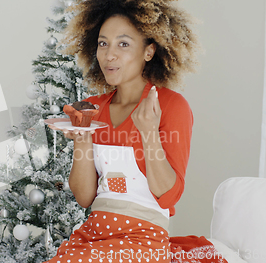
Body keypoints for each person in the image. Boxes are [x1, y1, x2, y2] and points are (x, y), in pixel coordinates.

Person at [45, 0, 200, 262]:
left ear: (148, 52)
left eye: (123, 44)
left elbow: (169, 196)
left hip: (144, 238)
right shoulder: (92, 108)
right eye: (103, 43)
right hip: (93, 236)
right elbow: (85, 197)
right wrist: (83, 139)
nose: (109, 55)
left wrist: (149, 133)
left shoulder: (171, 106)